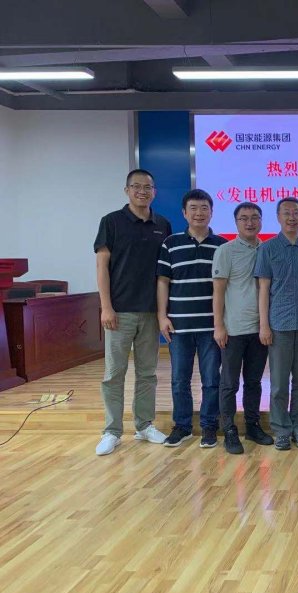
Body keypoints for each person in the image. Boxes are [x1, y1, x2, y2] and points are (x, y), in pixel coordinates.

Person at [94, 169, 172, 456]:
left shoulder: (162, 224)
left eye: (147, 187)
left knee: (147, 372)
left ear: (154, 192)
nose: (142, 191)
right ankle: (112, 431)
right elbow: (102, 265)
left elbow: (165, 273)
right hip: (119, 312)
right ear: (127, 190)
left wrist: (163, 312)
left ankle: (144, 425)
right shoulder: (111, 221)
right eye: (136, 186)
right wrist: (106, 306)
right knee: (114, 373)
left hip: (150, 311)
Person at [157, 189, 226, 448]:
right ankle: (182, 426)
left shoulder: (222, 245)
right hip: (179, 325)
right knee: (179, 380)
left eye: (204, 208)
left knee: (211, 380)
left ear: (212, 212)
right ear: (184, 213)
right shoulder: (171, 244)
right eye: (193, 208)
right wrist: (162, 316)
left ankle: (209, 426)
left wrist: (222, 323)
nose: (199, 213)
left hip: (211, 326)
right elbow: (163, 282)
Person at [254, 197, 298, 451]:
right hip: (278, 324)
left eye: (296, 213)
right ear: (278, 217)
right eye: (286, 213)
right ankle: (281, 430)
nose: (291, 217)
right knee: (279, 383)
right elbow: (263, 289)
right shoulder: (267, 249)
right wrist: (264, 325)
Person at [212, 202, 273, 454]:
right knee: (229, 383)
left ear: (261, 221)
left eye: (255, 217)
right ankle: (229, 429)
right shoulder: (226, 251)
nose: (250, 222)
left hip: (260, 329)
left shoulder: (267, 249)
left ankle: (252, 425)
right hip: (233, 329)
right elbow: (218, 291)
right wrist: (218, 326)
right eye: (244, 218)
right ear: (236, 222)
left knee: (254, 381)